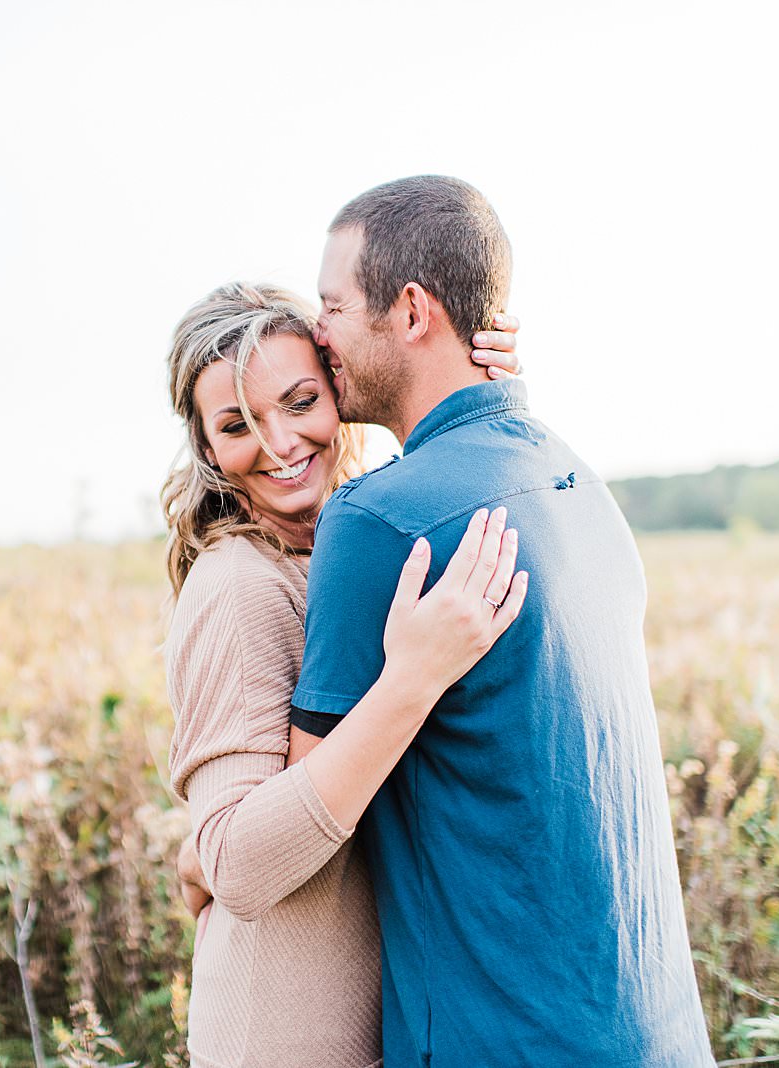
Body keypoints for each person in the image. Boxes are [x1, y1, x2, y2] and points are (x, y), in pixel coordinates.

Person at [288, 176, 715, 1065]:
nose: (316, 331)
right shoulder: (581, 484)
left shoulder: (377, 523)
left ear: (412, 310)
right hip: (660, 1039)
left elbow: (302, 826)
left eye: (331, 305)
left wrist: (200, 858)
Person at [160, 282, 527, 1068]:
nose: (281, 443)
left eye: (300, 402)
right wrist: (410, 682)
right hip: (284, 1037)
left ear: (341, 393)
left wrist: (477, 380)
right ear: (207, 449)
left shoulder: (345, 545)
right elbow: (236, 864)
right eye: (237, 426)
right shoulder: (238, 584)